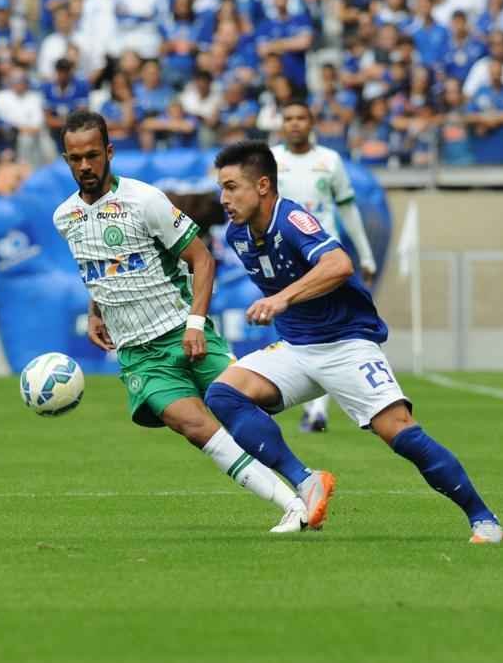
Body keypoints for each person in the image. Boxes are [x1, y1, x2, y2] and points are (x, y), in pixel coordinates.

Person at [202, 141, 503, 545]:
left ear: (262, 185)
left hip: (346, 345)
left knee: (401, 433)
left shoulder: (291, 218)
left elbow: (339, 265)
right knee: (224, 394)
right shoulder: (239, 233)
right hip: (297, 348)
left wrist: (283, 297)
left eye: (232, 187)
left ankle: (483, 518)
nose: (224, 198)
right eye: (221, 188)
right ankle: (307, 481)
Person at [53, 110, 333, 534]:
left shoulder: (144, 200)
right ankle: (293, 504)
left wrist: (196, 324)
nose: (85, 166)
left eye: (93, 155)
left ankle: (307, 469)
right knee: (194, 426)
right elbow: (97, 267)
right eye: (76, 159)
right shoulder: (64, 217)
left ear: (109, 152)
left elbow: (201, 259)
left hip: (184, 330)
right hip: (140, 356)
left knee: (244, 405)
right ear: (66, 159)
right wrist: (96, 310)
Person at [271, 101, 377, 434]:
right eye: (288, 119)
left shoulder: (330, 161)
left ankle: (317, 411)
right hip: (286, 257)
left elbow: (348, 209)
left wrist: (366, 254)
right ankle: (314, 407)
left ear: (312, 123)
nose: (295, 124)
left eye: (301, 118)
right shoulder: (271, 161)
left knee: (327, 331)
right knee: (299, 333)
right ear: (281, 124)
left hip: (323, 257)